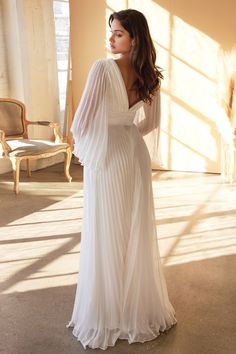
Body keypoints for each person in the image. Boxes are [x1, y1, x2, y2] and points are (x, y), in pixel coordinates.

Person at [67, 9, 177, 350]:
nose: (111, 38)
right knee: (133, 228)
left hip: (110, 156)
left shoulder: (103, 68)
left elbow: (80, 123)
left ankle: (108, 312)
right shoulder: (150, 75)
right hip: (133, 154)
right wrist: (125, 127)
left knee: (106, 229)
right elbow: (150, 124)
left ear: (135, 39)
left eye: (118, 34)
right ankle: (134, 309)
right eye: (111, 32)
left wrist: (95, 147)